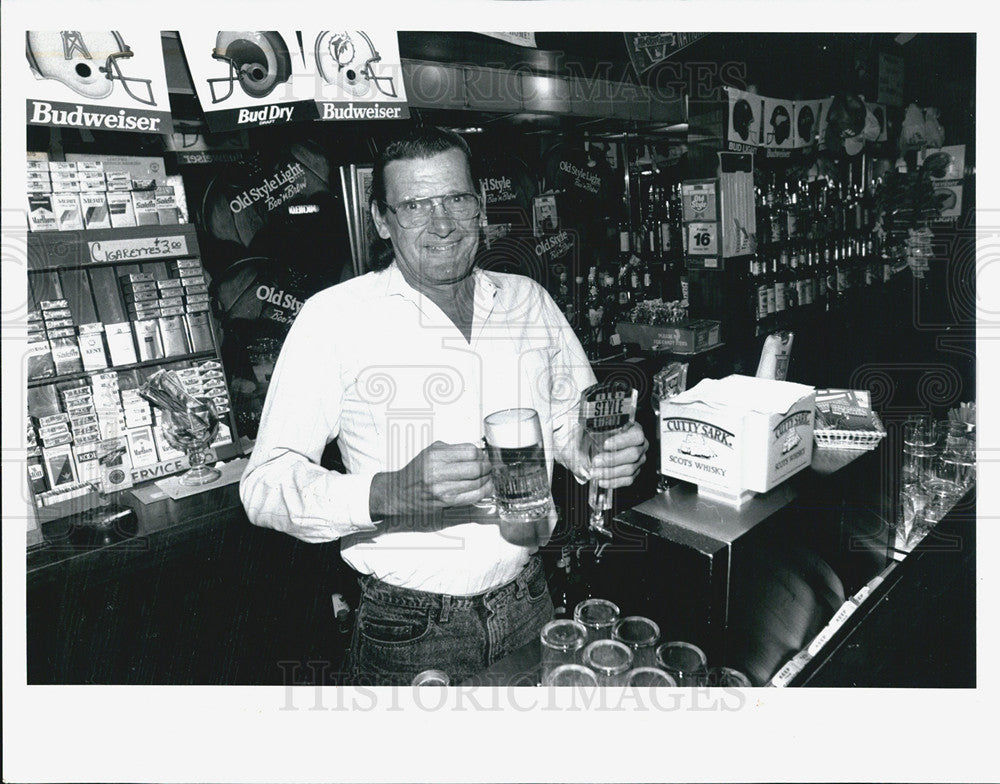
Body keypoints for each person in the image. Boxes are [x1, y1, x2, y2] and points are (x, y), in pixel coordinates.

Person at [240, 125, 648, 686]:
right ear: (382, 221)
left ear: (479, 206)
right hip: (409, 630)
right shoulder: (334, 318)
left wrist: (600, 448)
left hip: (531, 602)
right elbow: (263, 485)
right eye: (414, 206)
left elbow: (570, 423)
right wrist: (386, 493)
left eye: (456, 198)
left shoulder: (527, 300)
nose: (442, 223)